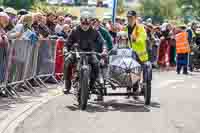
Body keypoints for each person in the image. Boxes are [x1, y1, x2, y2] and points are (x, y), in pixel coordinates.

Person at [64, 12, 106, 101]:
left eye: (87, 23)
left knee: (96, 64)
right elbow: (68, 43)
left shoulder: (95, 32)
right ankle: (67, 85)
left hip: (90, 53)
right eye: (83, 23)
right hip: (77, 53)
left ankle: (92, 85)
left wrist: (104, 50)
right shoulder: (75, 30)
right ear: (80, 22)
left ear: (90, 23)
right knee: (67, 61)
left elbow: (102, 42)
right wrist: (65, 50)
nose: (85, 25)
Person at [124, 10, 149, 99]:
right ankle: (128, 89)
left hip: (139, 54)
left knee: (135, 71)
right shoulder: (125, 28)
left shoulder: (140, 27)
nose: (129, 19)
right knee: (126, 70)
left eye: (131, 17)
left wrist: (135, 39)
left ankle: (135, 89)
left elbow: (143, 38)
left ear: (135, 18)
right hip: (128, 53)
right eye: (128, 17)